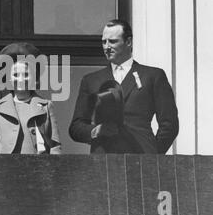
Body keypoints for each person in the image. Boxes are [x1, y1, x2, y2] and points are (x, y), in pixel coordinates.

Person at [69, 20, 179, 154]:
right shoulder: (91, 80)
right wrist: (95, 130)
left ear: (128, 42)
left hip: (141, 157)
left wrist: (153, 156)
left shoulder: (152, 76)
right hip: (103, 160)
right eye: (104, 42)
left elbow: (169, 124)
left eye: (113, 41)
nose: (107, 47)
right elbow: (76, 127)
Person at [0, 45, 61, 154]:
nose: (20, 79)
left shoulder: (46, 106)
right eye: (15, 75)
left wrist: (52, 170)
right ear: (9, 79)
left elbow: (55, 147)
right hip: (5, 169)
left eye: (26, 74)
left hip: (38, 168)